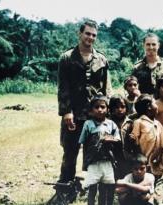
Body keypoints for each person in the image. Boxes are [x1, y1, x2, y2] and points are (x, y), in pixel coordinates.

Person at [57, 20, 112, 183]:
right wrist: (66, 111)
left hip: (95, 115)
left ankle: (93, 185)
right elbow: (63, 87)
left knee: (96, 152)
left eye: (94, 35)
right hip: (74, 113)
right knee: (70, 151)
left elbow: (106, 88)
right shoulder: (67, 58)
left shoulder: (101, 59)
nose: (90, 37)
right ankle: (66, 184)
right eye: (87, 33)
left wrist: (106, 113)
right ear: (79, 33)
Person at [78, 96, 120, 205]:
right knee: (92, 187)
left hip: (107, 160)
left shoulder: (111, 124)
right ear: (91, 109)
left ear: (107, 109)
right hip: (93, 161)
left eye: (103, 107)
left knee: (107, 187)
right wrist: (85, 161)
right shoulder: (88, 124)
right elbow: (84, 143)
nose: (100, 110)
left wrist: (111, 139)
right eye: (96, 107)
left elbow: (118, 139)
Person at [132, 33, 163, 103]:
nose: (151, 47)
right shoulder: (137, 68)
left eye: (154, 44)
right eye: (148, 44)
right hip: (145, 108)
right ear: (143, 45)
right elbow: (132, 89)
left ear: (158, 45)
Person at [130, 94, 163, 180]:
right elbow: (136, 144)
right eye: (155, 103)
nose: (157, 106)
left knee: (157, 179)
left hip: (158, 161)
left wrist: (161, 158)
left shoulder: (158, 124)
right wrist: (141, 160)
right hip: (144, 163)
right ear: (149, 106)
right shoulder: (138, 123)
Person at [109, 94, 135, 179]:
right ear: (112, 108)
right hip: (113, 154)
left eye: (122, 107)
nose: (120, 110)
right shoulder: (108, 123)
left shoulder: (130, 123)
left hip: (127, 155)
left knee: (127, 176)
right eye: (116, 107)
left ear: (126, 108)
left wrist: (132, 139)